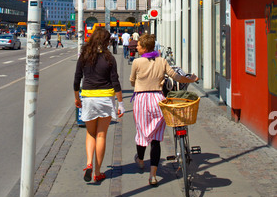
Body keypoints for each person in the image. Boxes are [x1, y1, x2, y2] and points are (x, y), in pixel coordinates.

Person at [130, 33, 198, 186]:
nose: (137, 47)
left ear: (145, 48)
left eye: (139, 45)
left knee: (141, 133)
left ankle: (140, 160)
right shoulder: (162, 61)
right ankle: (153, 175)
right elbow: (176, 76)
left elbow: (132, 80)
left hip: (141, 100)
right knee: (155, 138)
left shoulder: (137, 62)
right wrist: (191, 79)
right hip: (157, 100)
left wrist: (138, 81)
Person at [74, 27, 125, 183]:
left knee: (90, 133)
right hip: (105, 98)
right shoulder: (109, 58)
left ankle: (88, 163)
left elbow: (77, 79)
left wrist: (77, 98)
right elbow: (115, 81)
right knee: (101, 135)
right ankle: (97, 172)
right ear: (106, 41)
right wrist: (121, 103)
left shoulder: (84, 56)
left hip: (88, 97)